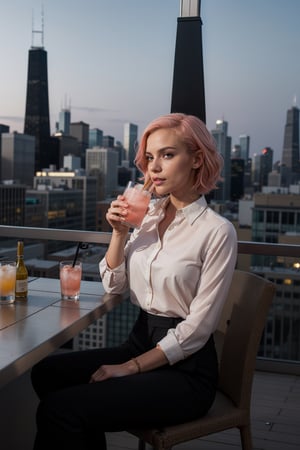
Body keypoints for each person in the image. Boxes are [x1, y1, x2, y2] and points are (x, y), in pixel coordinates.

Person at [31, 112, 237, 450]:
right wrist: (119, 233)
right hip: (139, 338)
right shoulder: (148, 215)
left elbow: (199, 329)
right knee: (46, 374)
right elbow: (114, 286)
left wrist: (131, 367)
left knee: (61, 410)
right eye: (150, 158)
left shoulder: (216, 231)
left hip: (185, 370)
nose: (154, 168)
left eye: (167, 155)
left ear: (197, 159)